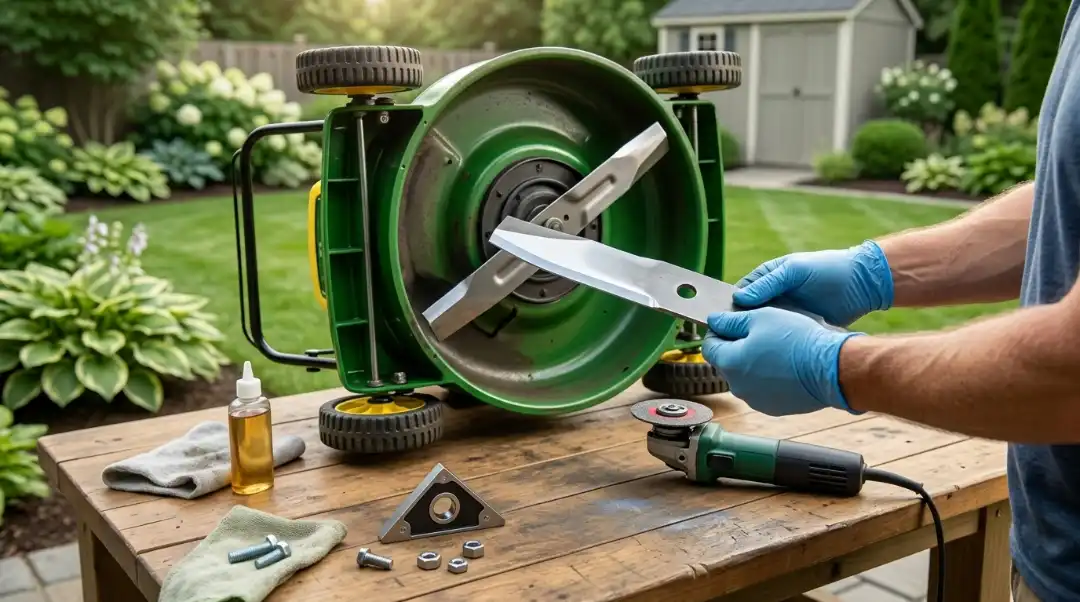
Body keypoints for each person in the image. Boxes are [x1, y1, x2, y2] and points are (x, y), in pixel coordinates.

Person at [700, 5, 1080, 601]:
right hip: (1049, 552)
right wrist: (875, 271)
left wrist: (836, 367)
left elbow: (1072, 372)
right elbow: (1066, 198)